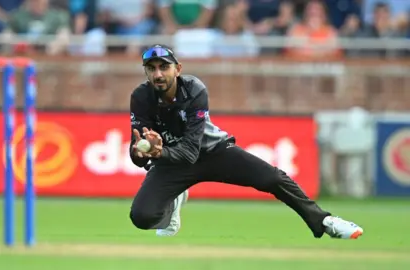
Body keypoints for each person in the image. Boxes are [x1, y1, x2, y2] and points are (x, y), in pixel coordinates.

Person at [128, 44, 364, 239]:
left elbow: (191, 151)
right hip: (171, 162)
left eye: (164, 67)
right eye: (151, 68)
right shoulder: (141, 97)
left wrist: (159, 153)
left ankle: (324, 221)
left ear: (177, 69)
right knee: (142, 217)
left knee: (271, 178)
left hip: (213, 152)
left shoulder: (193, 89)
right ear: (146, 72)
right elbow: (136, 156)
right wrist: (142, 151)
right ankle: (174, 199)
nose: (158, 74)